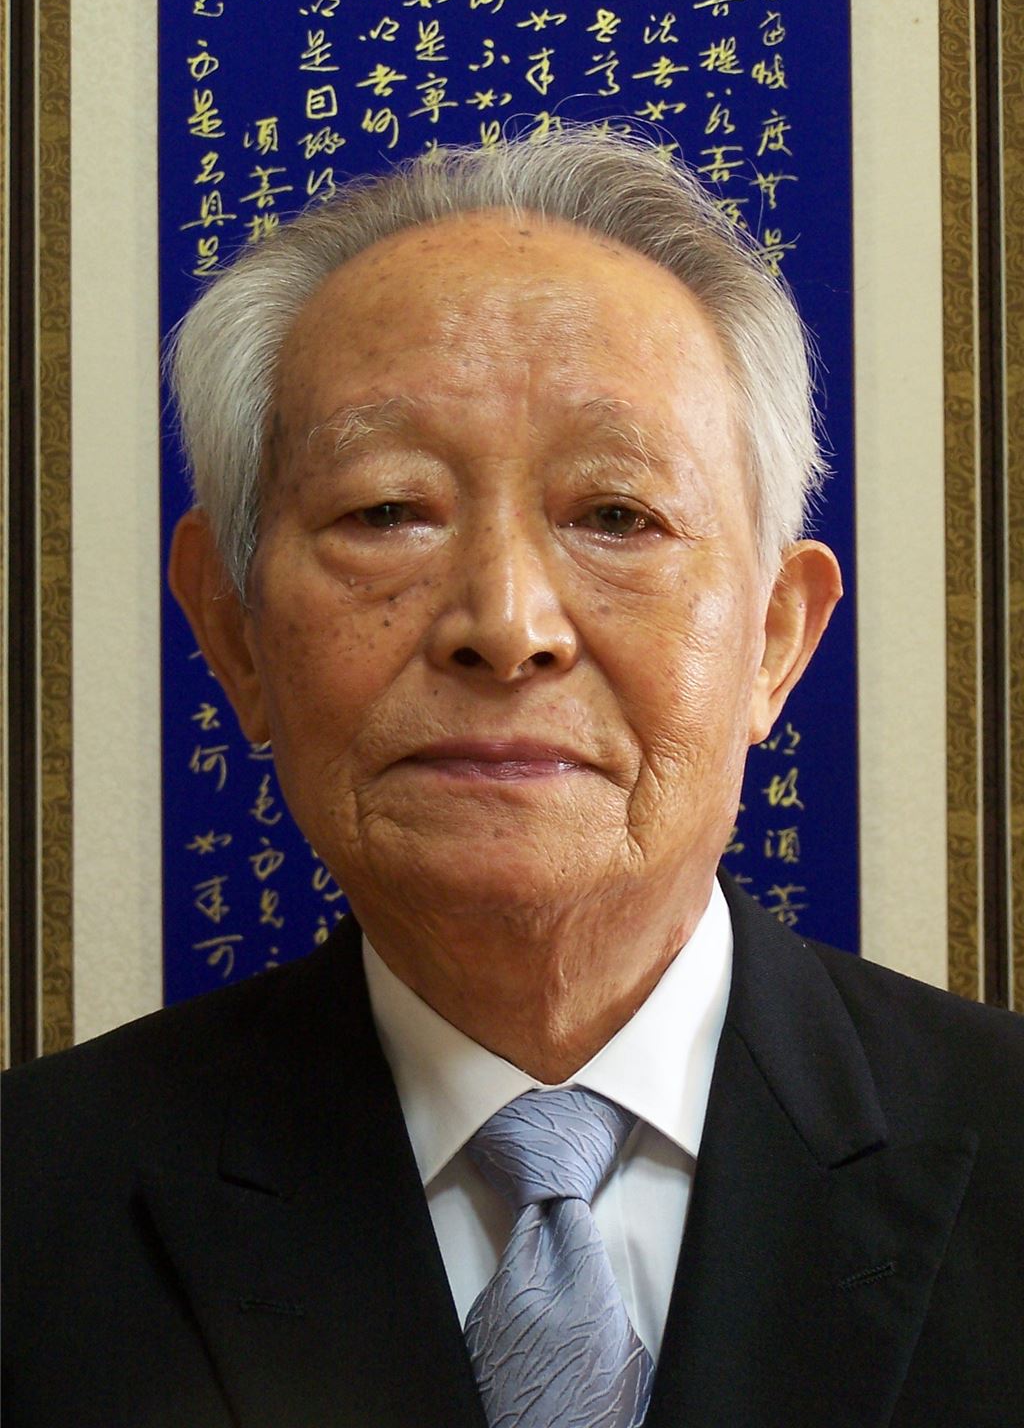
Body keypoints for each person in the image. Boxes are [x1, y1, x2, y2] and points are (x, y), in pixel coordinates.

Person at [4, 133, 1022, 1428]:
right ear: (234, 632)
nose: (506, 623)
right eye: (387, 511)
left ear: (775, 639)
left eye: (616, 516)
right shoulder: (30, 1207)